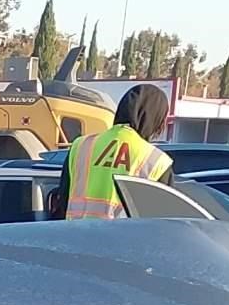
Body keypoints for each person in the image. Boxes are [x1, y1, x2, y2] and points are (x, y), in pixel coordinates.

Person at [62, 82, 173, 218]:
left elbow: (62, 201)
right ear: (155, 119)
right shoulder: (157, 162)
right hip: (123, 239)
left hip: (74, 236)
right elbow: (163, 223)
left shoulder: (80, 145)